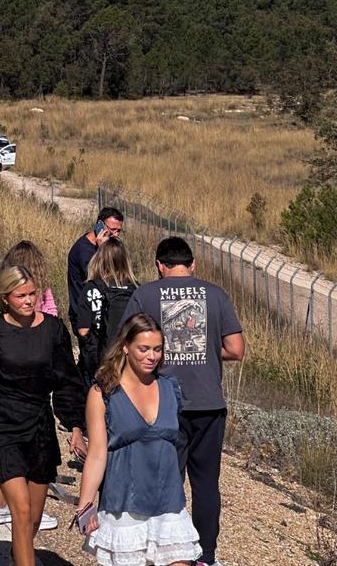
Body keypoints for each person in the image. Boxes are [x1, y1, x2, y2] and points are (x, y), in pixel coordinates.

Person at [0, 266, 86, 566]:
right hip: (3, 426)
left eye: (32, 294)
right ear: (5, 298)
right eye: (21, 295)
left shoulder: (53, 330)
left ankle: (19, 551)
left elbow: (68, 381)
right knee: (21, 512)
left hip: (39, 426)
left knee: (33, 519)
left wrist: (76, 427)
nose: (28, 301)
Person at [121, 237, 245, 566]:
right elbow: (236, 349)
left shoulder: (145, 295)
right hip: (209, 402)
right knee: (206, 484)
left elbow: (126, 346)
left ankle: (165, 550)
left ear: (159, 265)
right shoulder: (216, 294)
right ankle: (206, 555)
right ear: (192, 265)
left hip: (161, 402)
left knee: (165, 479)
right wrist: (204, 349)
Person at [77, 314, 202, 566]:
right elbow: (97, 454)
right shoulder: (103, 393)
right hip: (124, 505)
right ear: (125, 346)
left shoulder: (170, 388)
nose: (151, 356)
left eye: (157, 349)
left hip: (168, 503)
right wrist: (85, 504)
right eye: (143, 349)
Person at [0, 241, 61, 531]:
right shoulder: (42, 298)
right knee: (9, 448)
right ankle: (10, 504)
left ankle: (1, 502)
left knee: (7, 454)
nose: (28, 299)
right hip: (20, 373)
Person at [77, 238, 139, 383]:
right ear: (125, 260)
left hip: (100, 362)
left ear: (99, 259)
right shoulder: (136, 289)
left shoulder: (91, 288)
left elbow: (83, 331)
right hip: (128, 361)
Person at [67, 208, 125, 333]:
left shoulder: (109, 245)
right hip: (84, 315)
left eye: (118, 230)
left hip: (102, 311)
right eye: (112, 230)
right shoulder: (84, 251)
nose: (116, 235)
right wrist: (103, 250)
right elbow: (98, 279)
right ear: (100, 225)